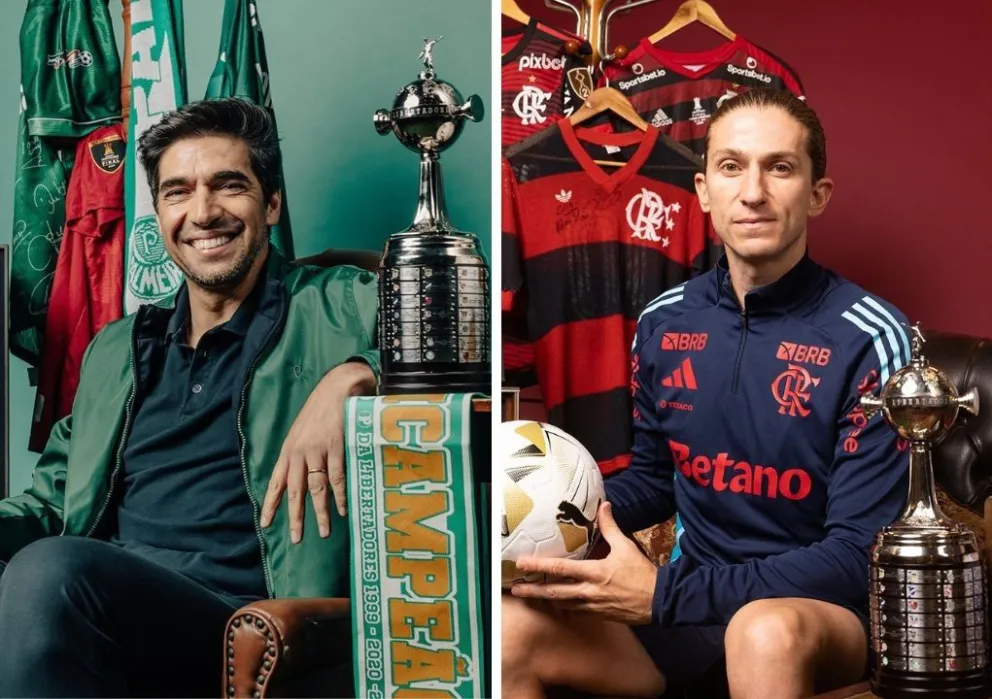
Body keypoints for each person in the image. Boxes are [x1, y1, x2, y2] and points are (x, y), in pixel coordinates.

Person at [503, 88, 911, 699]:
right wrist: (539, 512)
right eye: (731, 167)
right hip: (689, 611)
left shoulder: (873, 337)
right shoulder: (665, 321)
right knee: (511, 630)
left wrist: (665, 593)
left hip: (817, 615)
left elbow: (858, 554)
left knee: (761, 631)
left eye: (779, 167)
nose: (753, 192)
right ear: (703, 193)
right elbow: (654, 478)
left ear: (817, 194)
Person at [0, 98, 379, 697]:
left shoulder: (343, 304)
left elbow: (469, 345)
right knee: (46, 572)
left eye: (228, 186)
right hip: (100, 608)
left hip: (240, 625)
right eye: (177, 192)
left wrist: (358, 374)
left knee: (51, 573)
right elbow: (51, 502)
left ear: (272, 202)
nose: (202, 213)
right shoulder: (117, 350)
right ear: (158, 212)